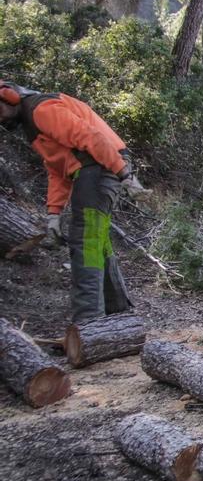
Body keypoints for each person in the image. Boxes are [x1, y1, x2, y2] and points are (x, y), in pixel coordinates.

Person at [0, 79, 149, 324]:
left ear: (10, 97)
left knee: (85, 240)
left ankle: (89, 321)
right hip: (93, 169)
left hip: (101, 166)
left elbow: (91, 137)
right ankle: (116, 312)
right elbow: (57, 168)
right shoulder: (31, 120)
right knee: (96, 238)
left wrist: (124, 174)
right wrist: (53, 214)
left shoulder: (42, 110)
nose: (1, 120)